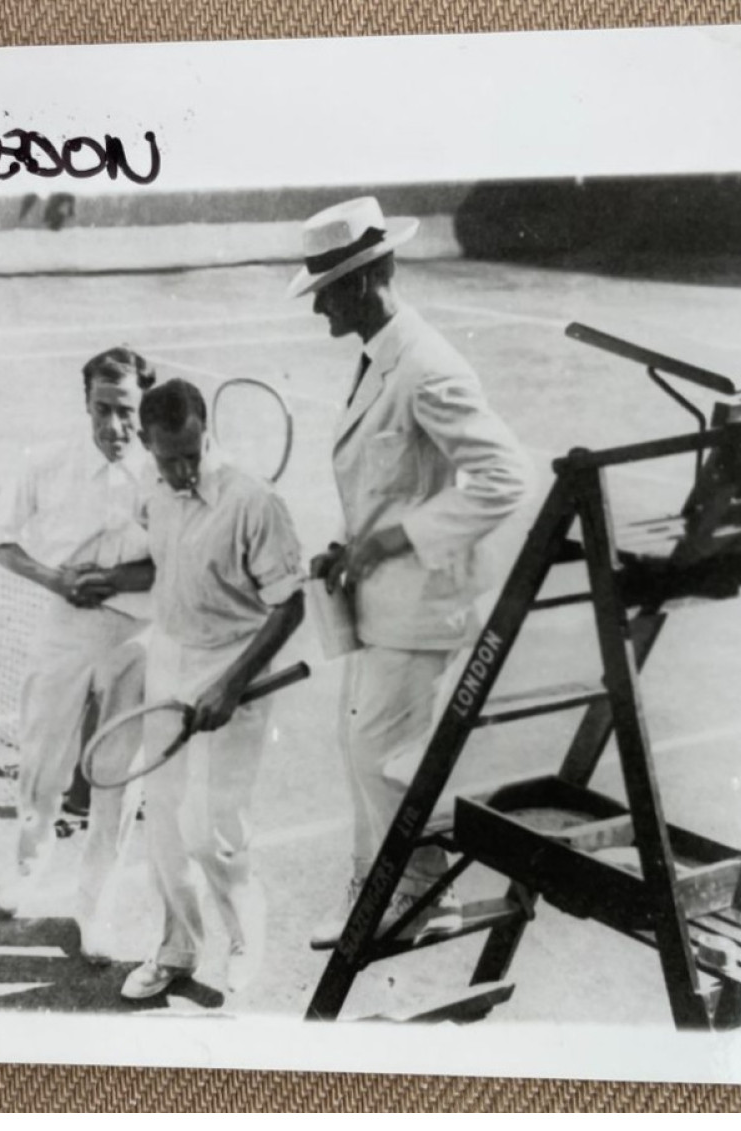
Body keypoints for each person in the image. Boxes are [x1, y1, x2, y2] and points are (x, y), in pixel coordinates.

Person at [286, 197, 531, 949]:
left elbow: (503, 477)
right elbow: (379, 483)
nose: (318, 307)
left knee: (383, 760)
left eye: (324, 290)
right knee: (356, 748)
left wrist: (395, 539)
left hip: (421, 607)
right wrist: (345, 542)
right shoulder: (375, 361)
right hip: (375, 604)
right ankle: (376, 895)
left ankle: (422, 899)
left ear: (359, 284)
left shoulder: (425, 367)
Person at [117, 378, 306, 1001]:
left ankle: (245, 939)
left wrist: (229, 685)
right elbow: (167, 563)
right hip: (169, 658)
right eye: (166, 457)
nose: (180, 469)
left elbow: (290, 605)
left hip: (235, 668)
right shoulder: (153, 489)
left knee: (211, 831)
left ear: (207, 432)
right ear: (146, 444)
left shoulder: (256, 502)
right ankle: (177, 948)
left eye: (191, 454)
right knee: (164, 826)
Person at [0, 347, 158, 957]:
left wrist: (119, 582)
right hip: (64, 628)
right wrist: (58, 581)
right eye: (103, 410)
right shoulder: (45, 463)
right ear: (86, 402)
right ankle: (27, 870)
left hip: (137, 636)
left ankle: (95, 906)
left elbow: (184, 559)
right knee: (42, 762)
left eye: (127, 412)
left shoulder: (165, 473)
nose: (115, 427)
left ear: (144, 407)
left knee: (118, 776)